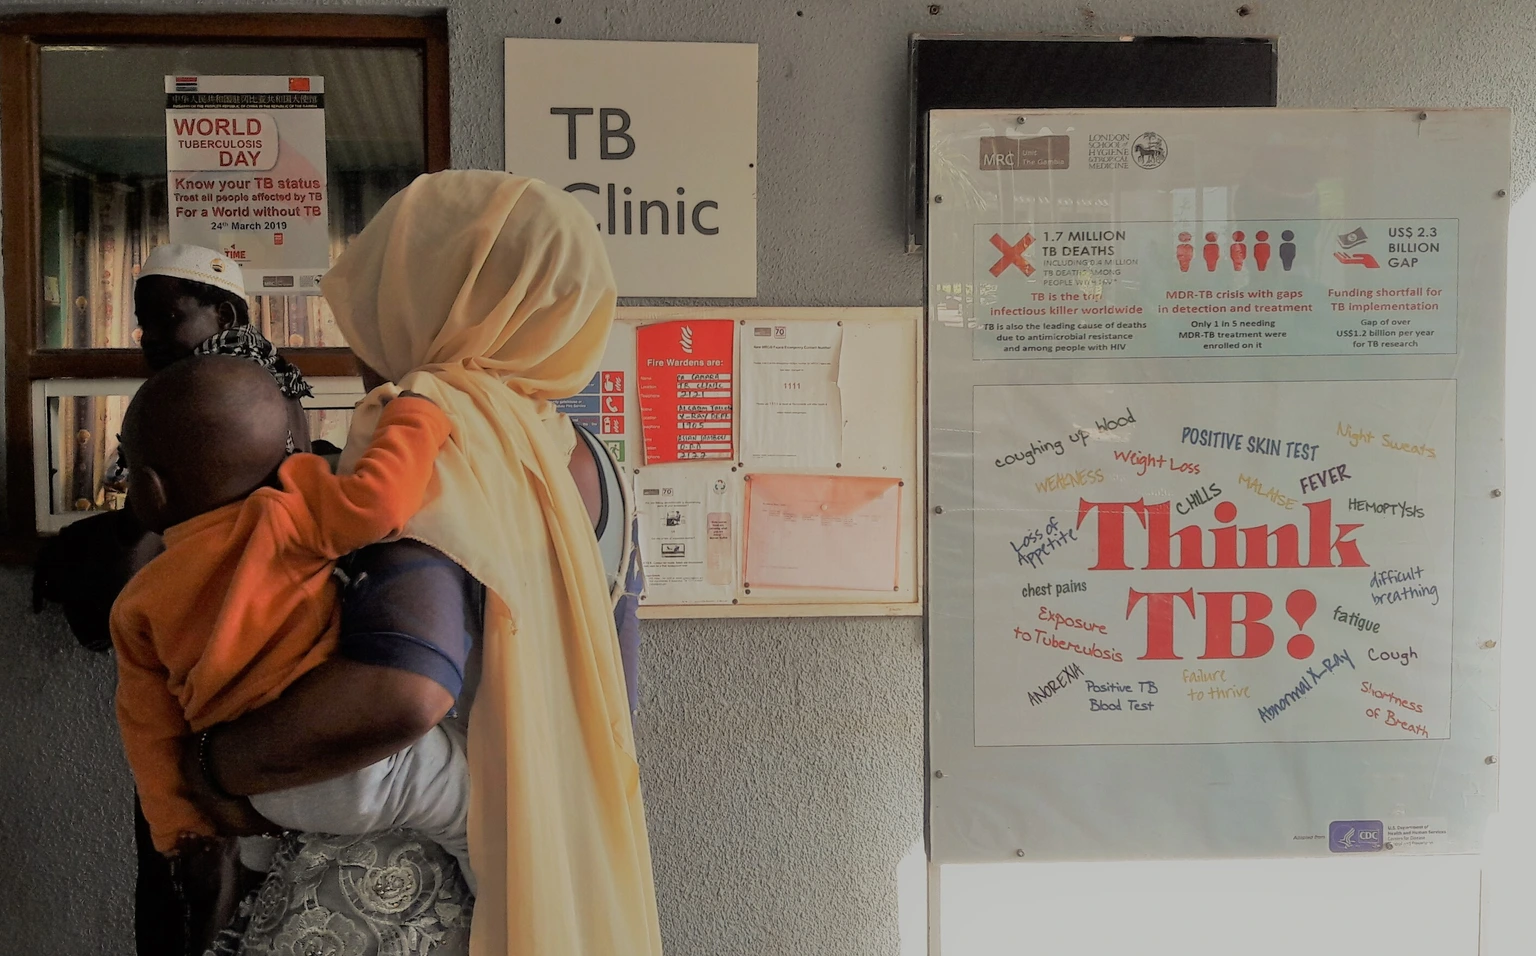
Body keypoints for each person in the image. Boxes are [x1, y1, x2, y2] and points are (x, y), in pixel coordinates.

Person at [191, 171, 662, 955]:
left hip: (389, 898)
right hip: (548, 877)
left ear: (437, 300)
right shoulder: (589, 463)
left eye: (385, 295)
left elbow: (404, 689)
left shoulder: (427, 429)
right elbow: (617, 705)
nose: (360, 338)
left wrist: (213, 764)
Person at [109, 354, 481, 891]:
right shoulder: (285, 514)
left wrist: (180, 829)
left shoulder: (136, 604)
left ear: (153, 487)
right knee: (484, 812)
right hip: (356, 768)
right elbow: (382, 504)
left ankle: (262, 862)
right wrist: (418, 415)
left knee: (267, 862)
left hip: (262, 794)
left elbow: (149, 733)